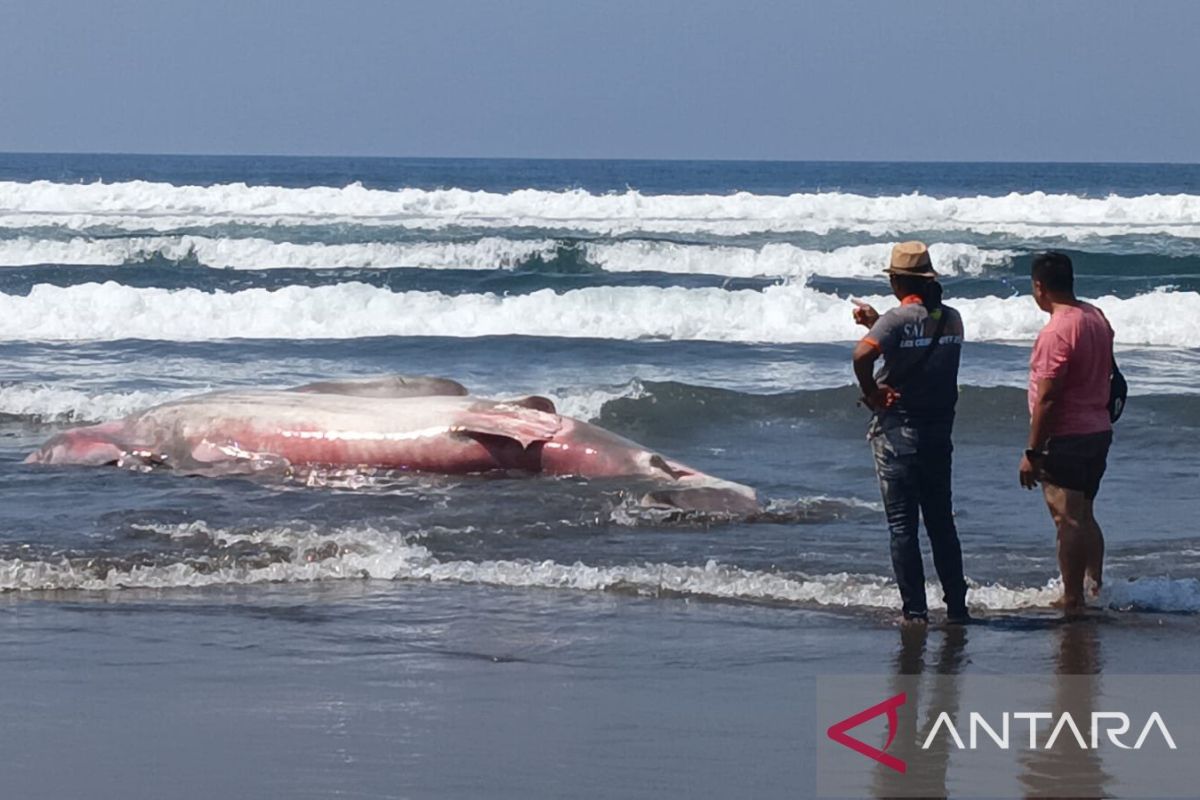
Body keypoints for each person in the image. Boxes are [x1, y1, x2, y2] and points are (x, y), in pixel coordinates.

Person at [852, 241, 969, 625]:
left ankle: (915, 612)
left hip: (898, 434)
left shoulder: (896, 320)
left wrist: (871, 392)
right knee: (941, 523)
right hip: (939, 434)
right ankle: (957, 607)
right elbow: (914, 342)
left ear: (898, 282)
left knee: (903, 526)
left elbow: (862, 356)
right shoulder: (952, 319)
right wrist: (877, 323)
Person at [1018, 251, 1114, 612]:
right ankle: (1095, 587)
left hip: (1067, 435)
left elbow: (1048, 398)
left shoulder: (1056, 331)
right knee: (1085, 512)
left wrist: (1032, 451)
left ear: (1039, 287)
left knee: (1066, 517)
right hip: (1098, 429)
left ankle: (1072, 596)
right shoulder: (1095, 316)